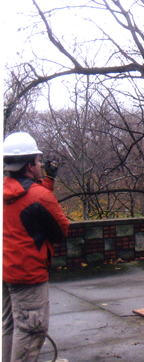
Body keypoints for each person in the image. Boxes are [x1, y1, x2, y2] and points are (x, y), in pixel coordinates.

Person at [2, 132, 70, 362]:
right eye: (38, 161)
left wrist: (47, 182)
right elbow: (60, 230)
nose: (41, 164)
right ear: (30, 166)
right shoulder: (40, 196)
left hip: (6, 272)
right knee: (31, 331)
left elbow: (28, 202)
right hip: (28, 276)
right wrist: (46, 187)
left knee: (10, 328)